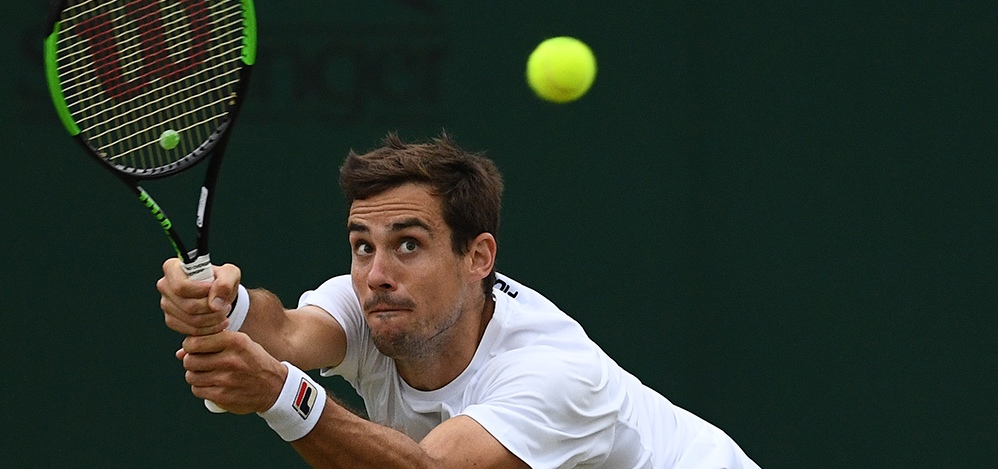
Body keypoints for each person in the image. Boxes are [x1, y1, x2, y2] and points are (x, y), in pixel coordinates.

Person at [158, 132, 760, 468]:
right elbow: (285, 334)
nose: (377, 274)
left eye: (409, 245)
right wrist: (222, 305)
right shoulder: (375, 304)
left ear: (478, 257)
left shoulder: (552, 373)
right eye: (362, 246)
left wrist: (278, 393)